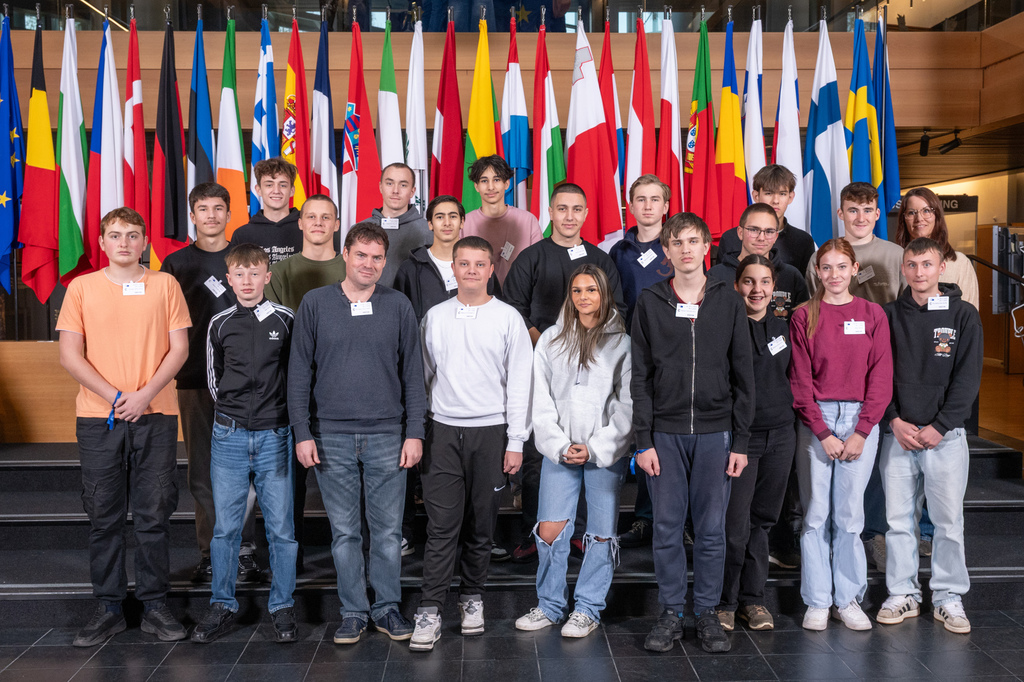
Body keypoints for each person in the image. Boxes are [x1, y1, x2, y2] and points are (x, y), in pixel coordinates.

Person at [57, 207, 190, 647]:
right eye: (115, 235)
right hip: (100, 418)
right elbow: (70, 355)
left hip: (156, 413)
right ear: (101, 242)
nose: (124, 243)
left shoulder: (165, 285)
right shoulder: (81, 288)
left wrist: (144, 394)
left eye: (133, 235)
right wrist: (117, 397)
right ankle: (109, 608)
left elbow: (179, 348)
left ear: (144, 241)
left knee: (154, 515)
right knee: (104, 516)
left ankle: (155, 605)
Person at [288, 222, 426, 645]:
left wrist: (415, 432)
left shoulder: (398, 305)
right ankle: (353, 611)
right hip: (330, 436)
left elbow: (413, 374)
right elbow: (298, 373)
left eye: (377, 257)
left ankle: (386, 607)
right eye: (361, 255)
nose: (369, 263)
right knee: (345, 533)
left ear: (384, 262)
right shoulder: (315, 303)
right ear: (345, 254)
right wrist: (302, 432)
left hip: (388, 434)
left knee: (387, 534)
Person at [631, 212, 754, 653]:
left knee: (711, 530)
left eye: (693, 241)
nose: (686, 249)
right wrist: (643, 440)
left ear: (707, 247)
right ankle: (670, 612)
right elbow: (640, 377)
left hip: (716, 432)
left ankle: (705, 612)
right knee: (666, 527)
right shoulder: (649, 301)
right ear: (666, 250)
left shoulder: (728, 301)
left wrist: (741, 441)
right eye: (677, 242)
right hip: (664, 434)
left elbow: (744, 375)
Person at [410, 237, 533, 650]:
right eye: (464, 264)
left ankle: (472, 598)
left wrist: (516, 441)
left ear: (491, 270)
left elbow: (521, 383)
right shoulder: (435, 317)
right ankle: (430, 608)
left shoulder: (508, 318)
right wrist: (420, 430)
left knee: (481, 526)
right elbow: (423, 377)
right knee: (442, 527)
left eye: (480, 264)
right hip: (442, 431)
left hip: (492, 432)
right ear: (454, 269)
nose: (472, 271)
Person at [503, 182, 626, 563]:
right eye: (562, 208)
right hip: (545, 360)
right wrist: (547, 343)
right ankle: (536, 531)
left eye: (576, 209)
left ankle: (580, 532)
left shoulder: (601, 259)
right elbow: (514, 308)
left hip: (594, 362)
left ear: (586, 214)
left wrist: (585, 341)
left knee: (588, 448)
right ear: (550, 213)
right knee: (541, 452)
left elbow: (617, 308)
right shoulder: (531, 257)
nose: (569, 216)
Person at [514, 264, 632, 638]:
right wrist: (560, 445)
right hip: (560, 451)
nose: (584, 297)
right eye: (577, 290)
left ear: (604, 293)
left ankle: (587, 609)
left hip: (603, 453)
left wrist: (596, 448)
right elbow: (540, 398)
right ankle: (550, 605)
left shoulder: (621, 343)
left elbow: (626, 404)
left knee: (600, 534)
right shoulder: (551, 339)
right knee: (550, 529)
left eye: (591, 290)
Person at [876, 237, 983, 634]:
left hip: (946, 437)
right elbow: (878, 375)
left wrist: (941, 425)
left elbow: (968, 379)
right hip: (899, 435)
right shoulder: (887, 315)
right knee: (898, 522)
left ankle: (948, 596)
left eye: (926, 264)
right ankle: (902, 592)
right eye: (912, 265)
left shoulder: (964, 315)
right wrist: (892, 420)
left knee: (948, 522)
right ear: (903, 269)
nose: (919, 272)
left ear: (941, 268)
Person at [193, 244, 298, 644]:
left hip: (275, 435)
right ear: (230, 279)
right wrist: (232, 414)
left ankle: (282, 605)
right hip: (230, 435)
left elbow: (295, 373)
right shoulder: (219, 323)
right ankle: (222, 603)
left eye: (255, 274)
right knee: (226, 529)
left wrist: (280, 415)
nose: (248, 281)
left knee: (281, 529)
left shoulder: (286, 319)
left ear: (267, 277)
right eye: (240, 274)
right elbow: (213, 378)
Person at [789, 238, 893, 632]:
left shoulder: (872, 314)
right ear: (817, 271)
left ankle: (847, 598)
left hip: (859, 419)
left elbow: (881, 376)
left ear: (854, 269)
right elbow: (799, 380)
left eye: (841, 267)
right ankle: (817, 600)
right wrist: (822, 432)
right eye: (826, 267)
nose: (834, 274)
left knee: (850, 516)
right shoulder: (804, 316)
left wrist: (862, 431)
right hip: (816, 420)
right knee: (816, 514)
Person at [161, 183, 259, 584]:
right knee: (202, 470)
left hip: (243, 380)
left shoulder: (246, 257)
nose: (212, 216)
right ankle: (212, 552)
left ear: (229, 214)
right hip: (193, 379)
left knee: (244, 469)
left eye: (219, 208)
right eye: (203, 209)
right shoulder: (175, 263)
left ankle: (245, 550)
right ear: (193, 216)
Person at [806, 183, 905, 572]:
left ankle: (872, 534)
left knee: (874, 467)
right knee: (820, 498)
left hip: (878, 372)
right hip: (829, 382)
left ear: (878, 214)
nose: (860, 217)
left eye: (867, 210)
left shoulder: (895, 255)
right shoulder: (821, 257)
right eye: (852, 209)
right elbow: (815, 313)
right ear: (841, 213)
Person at [265, 194, 346, 572]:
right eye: (311, 217)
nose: (318, 223)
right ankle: (289, 562)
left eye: (325, 217)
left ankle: (349, 562)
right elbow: (272, 331)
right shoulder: (280, 271)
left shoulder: (351, 267)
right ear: (300, 223)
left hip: (341, 390)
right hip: (292, 389)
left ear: (337, 224)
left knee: (344, 481)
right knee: (289, 483)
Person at [717, 256, 797, 633]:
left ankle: (753, 599)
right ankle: (725, 602)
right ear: (737, 286)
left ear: (773, 287)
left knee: (762, 522)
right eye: (749, 281)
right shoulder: (726, 329)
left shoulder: (784, 327)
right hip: (740, 439)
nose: (757, 289)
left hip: (780, 435)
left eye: (764, 282)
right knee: (734, 525)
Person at [608, 174, 673, 550]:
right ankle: (634, 519)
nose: (648, 206)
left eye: (655, 199)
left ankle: (662, 517)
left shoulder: (679, 244)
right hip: (628, 353)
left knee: (662, 435)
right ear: (630, 206)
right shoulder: (619, 251)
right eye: (641, 200)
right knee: (630, 431)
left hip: (670, 356)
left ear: (666, 205)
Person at [394, 194, 499, 321]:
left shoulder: (480, 267)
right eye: (440, 217)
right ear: (430, 224)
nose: (447, 223)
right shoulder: (410, 269)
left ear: (462, 222)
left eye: (453, 216)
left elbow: (496, 310)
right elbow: (399, 316)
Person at [708, 203, 809, 321]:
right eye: (754, 230)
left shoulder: (791, 276)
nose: (761, 238)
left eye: (769, 231)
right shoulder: (716, 276)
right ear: (740, 232)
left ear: (776, 236)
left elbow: (803, 324)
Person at [718, 165, 816, 273]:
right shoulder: (730, 238)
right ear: (756, 196)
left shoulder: (803, 241)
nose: (775, 201)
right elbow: (721, 275)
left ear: (791, 197)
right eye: (768, 193)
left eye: (782, 194)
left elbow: (805, 282)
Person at [461, 155, 543, 286]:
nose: (491, 187)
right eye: (484, 181)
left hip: (520, 295)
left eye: (496, 180)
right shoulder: (464, 223)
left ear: (507, 184)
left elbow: (539, 266)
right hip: (476, 294)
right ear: (476, 186)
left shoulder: (528, 221)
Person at [894, 187, 979, 310]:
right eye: (912, 213)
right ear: (903, 219)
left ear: (937, 215)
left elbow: (969, 313)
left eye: (926, 211)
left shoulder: (959, 263)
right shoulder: (894, 260)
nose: (919, 218)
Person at [231, 158, 312, 265]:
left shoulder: (308, 230)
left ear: (292, 190)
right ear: (258, 190)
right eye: (269, 185)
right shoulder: (242, 235)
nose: (276, 191)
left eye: (283, 185)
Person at [365, 162, 433, 287]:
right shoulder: (360, 229)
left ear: (412, 191)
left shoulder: (427, 231)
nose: (395, 191)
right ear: (380, 187)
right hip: (369, 298)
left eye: (403, 185)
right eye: (389, 183)